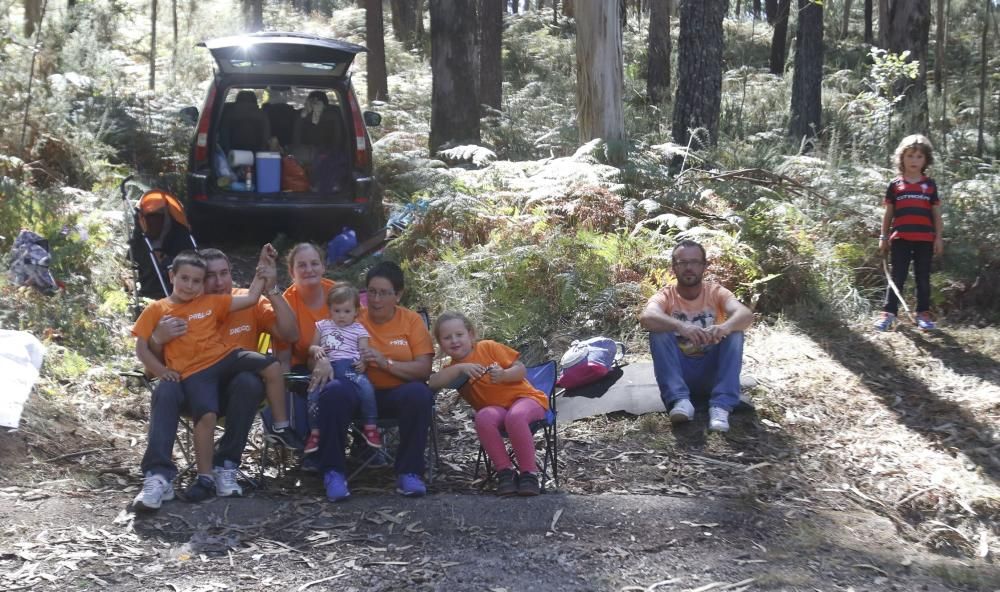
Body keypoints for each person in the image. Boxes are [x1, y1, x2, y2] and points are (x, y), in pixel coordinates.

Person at [131, 248, 299, 507]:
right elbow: (153, 367)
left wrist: (271, 285)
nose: (219, 282)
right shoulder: (168, 311)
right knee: (165, 389)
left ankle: (226, 466)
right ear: (179, 277)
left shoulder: (239, 301)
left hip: (235, 393)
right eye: (210, 276)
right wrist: (157, 339)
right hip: (189, 389)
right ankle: (158, 476)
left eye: (225, 273)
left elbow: (289, 334)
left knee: (248, 381)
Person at [305, 261, 434, 502]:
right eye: (371, 292)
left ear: (398, 294)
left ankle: (410, 472)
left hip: (395, 392)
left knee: (419, 394)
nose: (375, 299)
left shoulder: (411, 321)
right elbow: (317, 354)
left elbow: (424, 369)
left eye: (384, 293)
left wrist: (386, 364)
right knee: (333, 391)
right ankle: (333, 472)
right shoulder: (350, 316)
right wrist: (320, 362)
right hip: (354, 391)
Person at [638, 239, 753, 433]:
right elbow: (646, 317)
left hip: (712, 373)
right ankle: (680, 401)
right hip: (680, 374)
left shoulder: (716, 292)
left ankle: (721, 406)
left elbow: (746, 315)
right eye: (682, 263)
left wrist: (724, 328)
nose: (689, 268)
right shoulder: (667, 295)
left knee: (735, 334)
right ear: (674, 267)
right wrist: (681, 326)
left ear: (704, 266)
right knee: (658, 334)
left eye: (695, 262)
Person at [428, 312, 548, 497]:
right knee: (483, 417)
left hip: (527, 400)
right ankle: (505, 473)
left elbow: (521, 369)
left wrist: (504, 375)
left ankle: (529, 474)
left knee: (515, 416)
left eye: (459, 335)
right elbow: (433, 383)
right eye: (447, 337)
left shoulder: (488, 347)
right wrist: (460, 368)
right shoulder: (451, 370)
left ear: (471, 334)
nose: (454, 340)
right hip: (496, 410)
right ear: (440, 344)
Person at [875, 134, 944, 332]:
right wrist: (884, 236)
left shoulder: (929, 185)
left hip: (925, 239)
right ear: (902, 158)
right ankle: (888, 314)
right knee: (898, 276)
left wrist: (938, 237)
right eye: (910, 156)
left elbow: (936, 214)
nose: (914, 161)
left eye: (919, 157)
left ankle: (923, 314)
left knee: (923, 277)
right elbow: (888, 213)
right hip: (900, 239)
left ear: (926, 160)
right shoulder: (895, 185)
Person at [304, 283, 380, 454]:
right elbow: (311, 347)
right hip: (327, 369)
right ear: (330, 310)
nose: (341, 316)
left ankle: (370, 426)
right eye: (337, 311)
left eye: (347, 311)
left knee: (367, 388)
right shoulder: (322, 326)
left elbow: (364, 351)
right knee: (313, 394)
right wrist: (316, 349)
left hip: (350, 368)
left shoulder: (359, 329)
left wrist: (364, 362)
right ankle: (315, 433)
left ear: (356, 311)